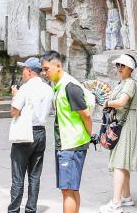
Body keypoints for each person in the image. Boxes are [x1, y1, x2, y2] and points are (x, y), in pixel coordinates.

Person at [41, 51, 92, 213]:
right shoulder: (60, 85)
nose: (44, 73)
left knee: (67, 190)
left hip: (71, 144)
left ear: (58, 66)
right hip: (67, 142)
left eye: (46, 69)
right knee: (72, 188)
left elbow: (86, 115)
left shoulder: (70, 86)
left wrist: (89, 137)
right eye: (42, 69)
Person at [7, 58, 52, 213]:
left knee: (18, 175)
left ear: (30, 71)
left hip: (25, 133)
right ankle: (31, 209)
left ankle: (14, 209)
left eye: (24, 69)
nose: (22, 72)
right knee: (35, 175)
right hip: (40, 132)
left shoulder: (25, 89)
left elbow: (14, 111)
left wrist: (15, 95)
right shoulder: (48, 89)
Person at [98, 55, 137, 213]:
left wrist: (107, 103)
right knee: (123, 162)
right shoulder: (122, 83)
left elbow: (122, 102)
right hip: (122, 123)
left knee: (119, 163)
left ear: (130, 69)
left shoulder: (129, 83)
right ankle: (126, 197)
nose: (120, 68)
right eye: (118, 65)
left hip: (125, 124)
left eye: (123, 65)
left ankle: (116, 204)